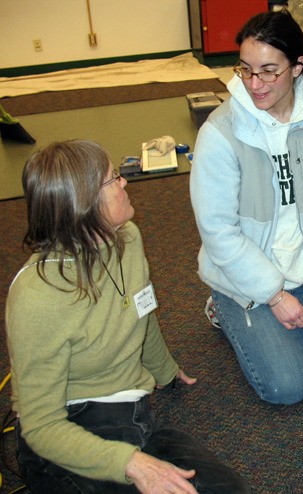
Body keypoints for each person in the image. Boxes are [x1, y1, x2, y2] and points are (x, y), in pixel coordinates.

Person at [6, 140, 249, 494]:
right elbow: (41, 425)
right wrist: (130, 464)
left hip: (132, 414)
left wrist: (164, 368)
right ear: (83, 203)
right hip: (68, 429)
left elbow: (140, 308)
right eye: (113, 178)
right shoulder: (37, 297)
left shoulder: (127, 239)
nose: (124, 183)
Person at [189, 9, 303, 405]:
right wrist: (273, 295)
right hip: (246, 279)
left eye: (269, 71)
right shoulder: (220, 134)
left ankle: (296, 308)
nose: (255, 83)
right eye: (245, 69)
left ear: (296, 67)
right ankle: (222, 308)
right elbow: (219, 232)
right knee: (287, 387)